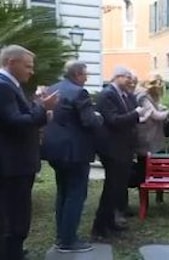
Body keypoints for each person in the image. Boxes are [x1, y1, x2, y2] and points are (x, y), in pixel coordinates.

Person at [0, 44, 57, 260]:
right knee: (15, 215)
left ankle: (14, 249)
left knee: (17, 214)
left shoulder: (11, 85)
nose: (31, 71)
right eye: (28, 66)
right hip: (13, 165)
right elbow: (15, 122)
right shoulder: (3, 86)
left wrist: (39, 108)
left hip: (16, 164)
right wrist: (43, 108)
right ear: (11, 62)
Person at [41, 61, 103, 253]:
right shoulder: (79, 92)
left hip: (55, 150)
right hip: (75, 152)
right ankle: (69, 240)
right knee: (76, 195)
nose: (87, 78)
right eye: (85, 74)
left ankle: (61, 236)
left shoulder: (53, 88)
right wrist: (98, 117)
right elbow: (89, 121)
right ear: (77, 74)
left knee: (63, 193)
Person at [91, 67, 148, 239]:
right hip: (112, 149)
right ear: (117, 77)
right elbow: (114, 120)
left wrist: (138, 116)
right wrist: (136, 114)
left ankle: (111, 223)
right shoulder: (107, 95)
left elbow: (130, 117)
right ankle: (99, 227)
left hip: (125, 149)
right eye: (128, 77)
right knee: (111, 188)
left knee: (118, 189)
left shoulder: (127, 95)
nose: (131, 81)